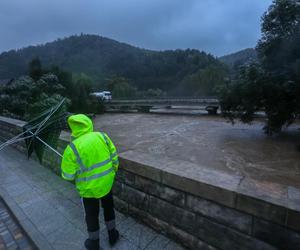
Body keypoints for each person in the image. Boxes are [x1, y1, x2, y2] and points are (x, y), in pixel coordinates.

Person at [61, 114, 119, 250]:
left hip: (88, 190)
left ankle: (94, 243)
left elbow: (68, 176)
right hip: (106, 184)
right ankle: (112, 235)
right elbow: (114, 158)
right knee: (109, 209)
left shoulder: (72, 148)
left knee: (91, 216)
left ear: (73, 128)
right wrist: (112, 173)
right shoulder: (102, 136)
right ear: (88, 123)